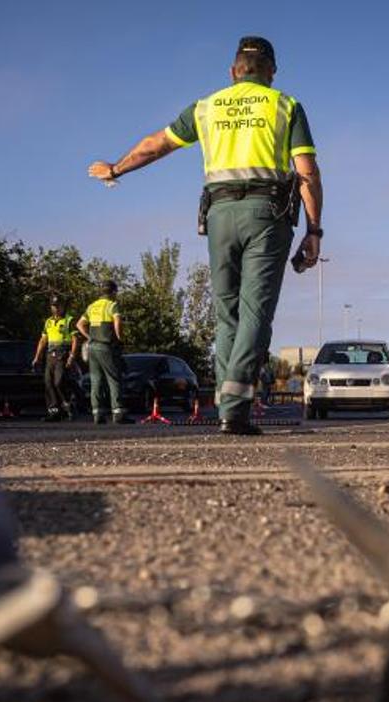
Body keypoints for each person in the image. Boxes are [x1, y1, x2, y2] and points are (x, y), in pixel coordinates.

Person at [88, 36, 323, 435]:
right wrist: (314, 230)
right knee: (255, 312)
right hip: (267, 215)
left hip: (218, 215)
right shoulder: (285, 104)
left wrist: (116, 169)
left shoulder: (206, 107)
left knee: (226, 311)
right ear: (271, 72)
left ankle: (229, 404)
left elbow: (155, 145)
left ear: (233, 72)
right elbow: (307, 172)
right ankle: (235, 405)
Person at [76, 280, 130, 424]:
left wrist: (90, 337)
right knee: (114, 378)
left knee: (96, 380)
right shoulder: (112, 305)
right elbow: (117, 322)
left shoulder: (92, 306)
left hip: (92, 347)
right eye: (115, 292)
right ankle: (118, 413)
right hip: (107, 346)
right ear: (112, 292)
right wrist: (119, 339)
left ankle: (97, 414)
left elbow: (79, 324)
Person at [31, 295, 79, 421]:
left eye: (58, 306)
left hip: (62, 353)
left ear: (63, 306)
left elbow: (75, 340)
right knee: (48, 382)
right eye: (54, 306)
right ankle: (54, 411)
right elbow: (43, 340)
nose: (56, 309)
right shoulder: (48, 322)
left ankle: (68, 404)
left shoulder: (69, 320)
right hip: (50, 354)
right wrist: (37, 357)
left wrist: (72, 356)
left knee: (59, 381)